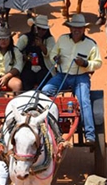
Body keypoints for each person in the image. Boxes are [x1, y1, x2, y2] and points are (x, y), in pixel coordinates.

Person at [42, 14, 102, 144]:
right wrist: (55, 58)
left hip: (81, 77)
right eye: (74, 27)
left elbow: (98, 63)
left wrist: (85, 64)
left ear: (84, 29)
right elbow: (53, 53)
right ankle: (48, 125)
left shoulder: (91, 44)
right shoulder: (62, 39)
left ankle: (90, 135)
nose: (77, 30)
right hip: (62, 76)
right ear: (70, 28)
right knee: (45, 91)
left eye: (79, 28)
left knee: (85, 101)